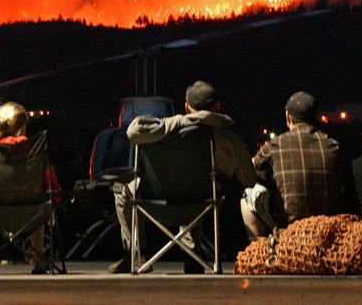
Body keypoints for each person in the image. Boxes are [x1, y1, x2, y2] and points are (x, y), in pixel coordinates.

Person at [109, 81, 256, 274]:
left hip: (152, 203)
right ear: (218, 105)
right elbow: (249, 180)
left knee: (121, 189)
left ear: (187, 107)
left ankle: (135, 255)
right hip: (200, 205)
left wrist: (177, 121)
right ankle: (192, 254)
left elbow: (133, 131)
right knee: (203, 184)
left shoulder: (163, 130)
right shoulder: (227, 139)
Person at [241, 91, 343, 239]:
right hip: (326, 230)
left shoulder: (275, 145)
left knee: (249, 191)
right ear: (314, 117)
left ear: (288, 117)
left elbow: (248, 172)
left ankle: (257, 247)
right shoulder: (334, 146)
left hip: (288, 230)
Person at [0, 101, 61, 274]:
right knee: (40, 205)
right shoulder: (33, 150)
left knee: (36, 205)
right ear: (23, 126)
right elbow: (49, 181)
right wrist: (57, 198)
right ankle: (39, 262)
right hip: (32, 212)